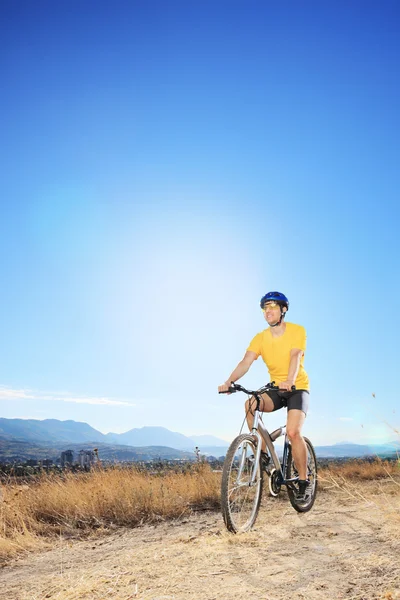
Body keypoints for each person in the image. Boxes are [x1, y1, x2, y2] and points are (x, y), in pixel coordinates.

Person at [218, 291, 311, 499]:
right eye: (264, 308)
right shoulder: (261, 338)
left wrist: (290, 380)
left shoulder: (297, 331)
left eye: (272, 307)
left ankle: (304, 481)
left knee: (294, 432)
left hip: (297, 387)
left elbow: (296, 356)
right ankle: (264, 456)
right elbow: (246, 361)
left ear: (283, 310)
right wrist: (229, 381)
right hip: (277, 388)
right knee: (250, 404)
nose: (267, 311)